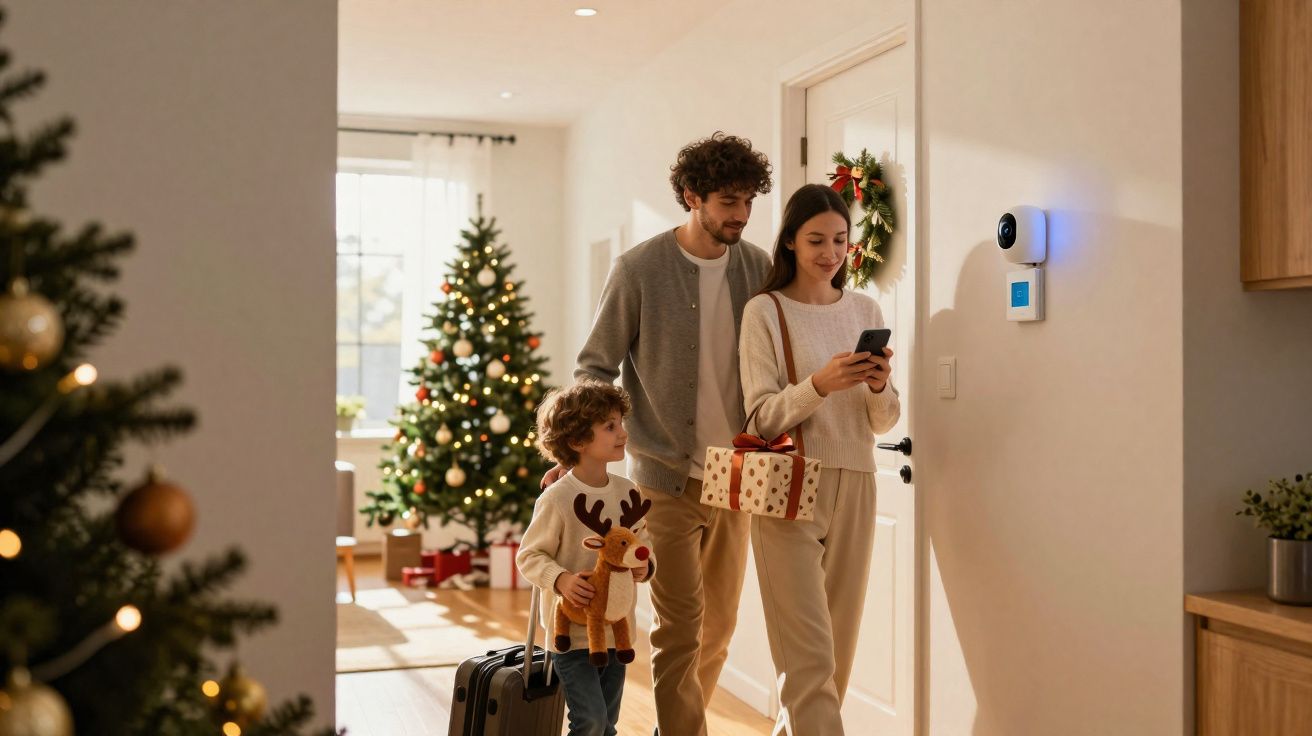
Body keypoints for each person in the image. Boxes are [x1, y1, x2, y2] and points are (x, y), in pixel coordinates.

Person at [543, 132, 773, 735]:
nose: (741, 215)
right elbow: (594, 366)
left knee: (718, 628)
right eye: (728, 201)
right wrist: (578, 453)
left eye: (748, 201)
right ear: (691, 196)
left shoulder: (757, 267)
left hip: (738, 479)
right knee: (679, 626)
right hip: (662, 482)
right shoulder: (640, 268)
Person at [737, 183, 901, 734]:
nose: (830, 253)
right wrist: (819, 384)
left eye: (839, 240)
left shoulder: (865, 308)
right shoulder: (764, 311)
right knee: (808, 663)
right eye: (816, 240)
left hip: (857, 482)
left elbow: (883, 422)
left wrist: (878, 387)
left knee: (836, 658)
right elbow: (759, 417)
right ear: (788, 242)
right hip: (788, 487)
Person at [517, 382, 656, 736]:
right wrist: (561, 580)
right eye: (609, 427)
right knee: (590, 721)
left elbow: (642, 543)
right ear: (578, 441)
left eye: (620, 423)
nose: (622, 432)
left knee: (607, 722)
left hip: (617, 632)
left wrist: (645, 564)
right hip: (572, 635)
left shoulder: (628, 492)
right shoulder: (557, 499)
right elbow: (530, 555)